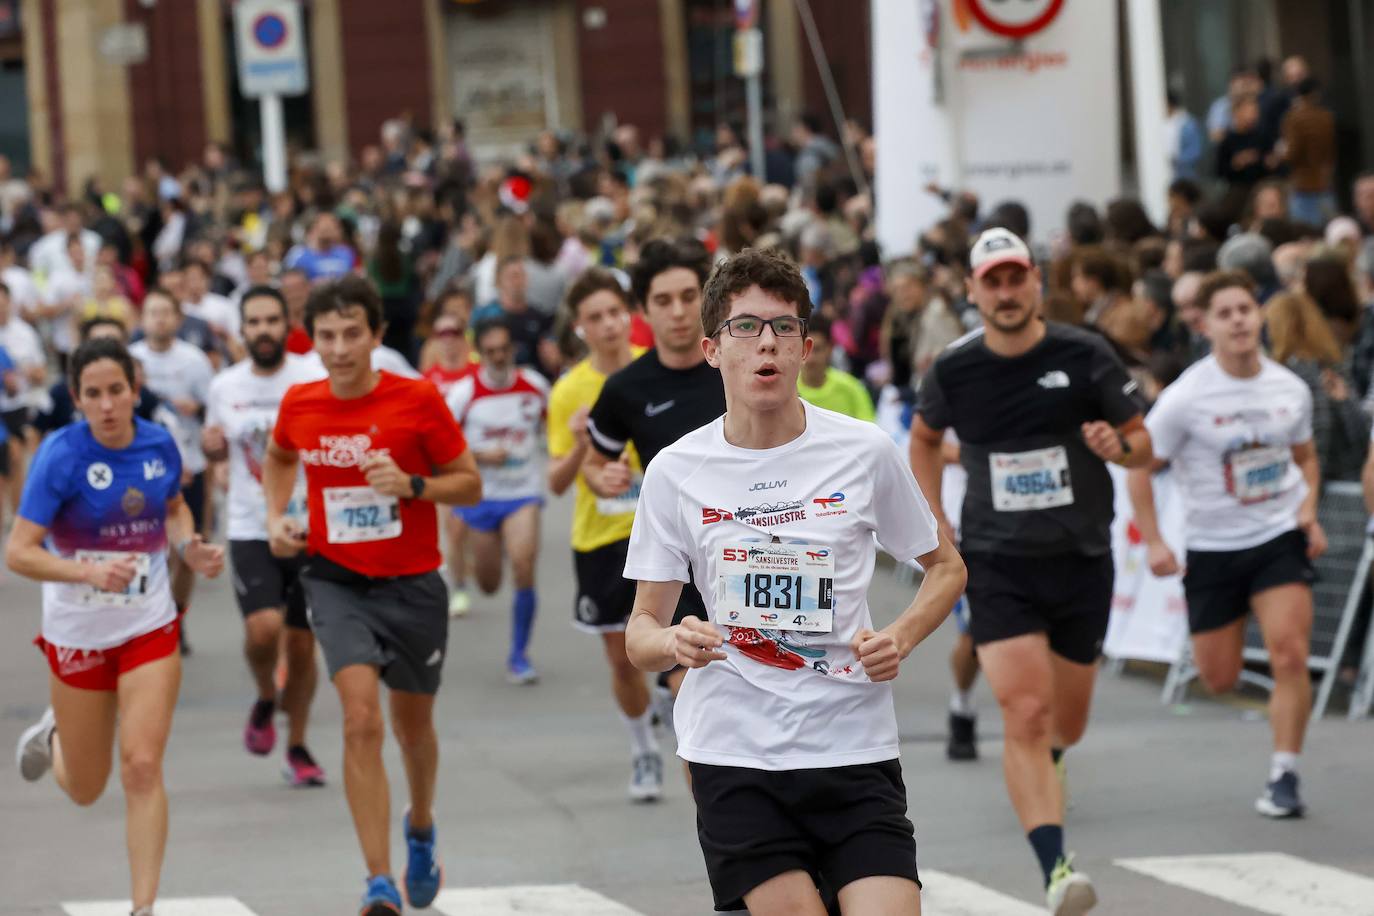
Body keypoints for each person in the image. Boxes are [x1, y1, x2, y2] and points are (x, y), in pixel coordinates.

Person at [623, 247, 965, 915]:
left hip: (853, 745)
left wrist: (899, 635)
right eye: (746, 328)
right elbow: (639, 632)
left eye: (783, 327)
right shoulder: (675, 471)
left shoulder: (863, 452)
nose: (766, 343)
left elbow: (946, 568)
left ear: (806, 347)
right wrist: (674, 643)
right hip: (736, 753)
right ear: (713, 349)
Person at [909, 228, 1154, 914]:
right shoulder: (954, 368)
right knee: (1024, 710)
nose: (1007, 292)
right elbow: (924, 440)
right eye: (993, 280)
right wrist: (935, 524)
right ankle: (1056, 870)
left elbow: (1143, 442)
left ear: (1037, 283)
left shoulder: (1085, 354)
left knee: (1063, 726)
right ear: (972, 290)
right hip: (998, 560)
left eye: (1017, 278)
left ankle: (1051, 761)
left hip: (1080, 560)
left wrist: (1120, 444)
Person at [263, 275, 481, 915]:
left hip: (413, 585)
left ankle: (419, 824)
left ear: (377, 335)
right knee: (360, 719)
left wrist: (413, 486)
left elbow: (469, 484)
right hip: (334, 581)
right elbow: (278, 458)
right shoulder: (300, 403)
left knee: (413, 730)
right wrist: (278, 516)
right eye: (326, 335)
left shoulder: (416, 399)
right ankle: (378, 879)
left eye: (351, 333)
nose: (338, 348)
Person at [10, 337, 225, 916]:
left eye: (116, 391)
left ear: (135, 388)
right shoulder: (60, 455)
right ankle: (56, 737)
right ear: (77, 399)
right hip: (78, 635)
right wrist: (86, 568)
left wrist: (189, 546)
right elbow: (20, 552)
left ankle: (143, 907)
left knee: (143, 765)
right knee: (84, 788)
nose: (107, 406)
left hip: (148, 625)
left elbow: (173, 506)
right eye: (93, 395)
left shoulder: (158, 441)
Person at [1127, 271, 1324, 820]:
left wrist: (1307, 510)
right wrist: (1156, 539)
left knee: (1289, 653)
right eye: (1226, 312)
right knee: (1219, 676)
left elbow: (1306, 457)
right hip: (1212, 548)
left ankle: (1285, 772)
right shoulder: (1186, 396)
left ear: (1260, 316)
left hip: (1277, 535)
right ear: (1206, 325)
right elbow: (1140, 467)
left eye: (1246, 308)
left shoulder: (1290, 388)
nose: (1239, 319)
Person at [585, 238, 723, 711]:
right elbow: (594, 461)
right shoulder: (624, 389)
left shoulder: (741, 368)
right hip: (677, 560)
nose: (680, 312)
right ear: (643, 310)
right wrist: (602, 478)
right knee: (694, 691)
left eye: (689, 296)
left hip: (756, 548)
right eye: (663, 301)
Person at [202, 286, 329, 785]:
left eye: (272, 321)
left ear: (287, 324)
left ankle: (297, 746)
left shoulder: (311, 377)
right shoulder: (225, 385)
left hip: (308, 526)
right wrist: (213, 452)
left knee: (301, 647)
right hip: (251, 524)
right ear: (241, 329)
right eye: (253, 322)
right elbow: (217, 450)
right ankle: (264, 693)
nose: (263, 331)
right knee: (262, 631)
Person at [546, 267, 662, 800]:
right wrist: (581, 450)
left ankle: (682, 718)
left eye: (616, 313)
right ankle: (643, 748)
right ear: (580, 329)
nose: (610, 325)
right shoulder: (570, 391)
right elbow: (556, 481)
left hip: (663, 534)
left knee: (684, 645)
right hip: (600, 539)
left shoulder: (656, 373)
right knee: (622, 658)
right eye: (596, 318)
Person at [446, 317, 550, 683]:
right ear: (481, 352)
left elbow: (553, 426)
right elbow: (444, 446)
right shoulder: (463, 393)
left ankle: (519, 655)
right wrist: (478, 456)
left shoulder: (534, 386)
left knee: (523, 565)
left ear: (512, 349)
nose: (497, 357)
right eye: (490, 351)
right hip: (482, 496)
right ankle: (484, 555)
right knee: (489, 583)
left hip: (522, 492)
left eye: (503, 350)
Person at [797, 314, 875, 421]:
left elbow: (870, 431)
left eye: (817, 349)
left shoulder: (852, 388)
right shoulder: (787, 389)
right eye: (805, 349)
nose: (810, 358)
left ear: (830, 349)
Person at [1282, 78, 1337, 227]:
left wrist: (1279, 154)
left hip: (1302, 184)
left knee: (1304, 232)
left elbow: (1291, 153)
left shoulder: (1294, 118)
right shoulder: (1326, 117)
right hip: (1324, 181)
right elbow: (1330, 152)